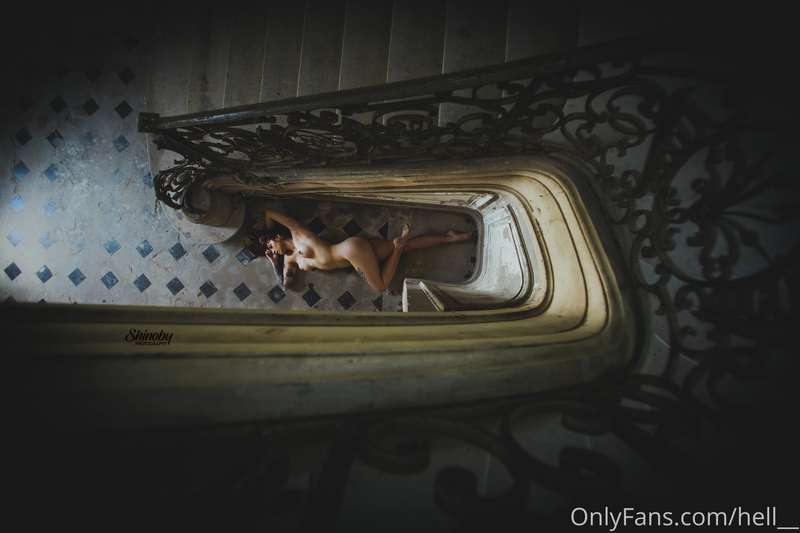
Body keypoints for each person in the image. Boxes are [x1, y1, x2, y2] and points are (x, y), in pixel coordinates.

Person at [261, 209, 473, 292]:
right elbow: (286, 285)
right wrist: (273, 263)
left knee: (380, 286)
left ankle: (398, 247)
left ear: (277, 236)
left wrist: (266, 232)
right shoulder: (289, 261)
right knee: (407, 246)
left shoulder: (297, 232)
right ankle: (451, 237)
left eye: (270, 245)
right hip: (355, 254)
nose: (271, 250)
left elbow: (269, 213)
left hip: (350, 251)